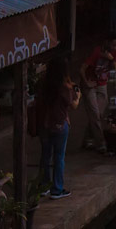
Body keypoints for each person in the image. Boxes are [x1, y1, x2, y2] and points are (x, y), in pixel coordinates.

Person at [33, 58, 79, 199]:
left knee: (45, 156)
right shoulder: (64, 87)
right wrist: (78, 96)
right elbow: (73, 105)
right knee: (59, 157)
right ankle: (57, 189)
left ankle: (43, 186)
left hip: (44, 125)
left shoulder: (42, 84)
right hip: (60, 125)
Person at [79, 36, 116, 154]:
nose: (115, 48)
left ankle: (87, 139)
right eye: (113, 45)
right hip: (90, 84)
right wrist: (86, 83)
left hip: (102, 83)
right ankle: (101, 143)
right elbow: (82, 69)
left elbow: (114, 66)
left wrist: (112, 58)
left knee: (98, 114)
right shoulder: (97, 52)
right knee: (95, 113)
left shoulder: (115, 52)